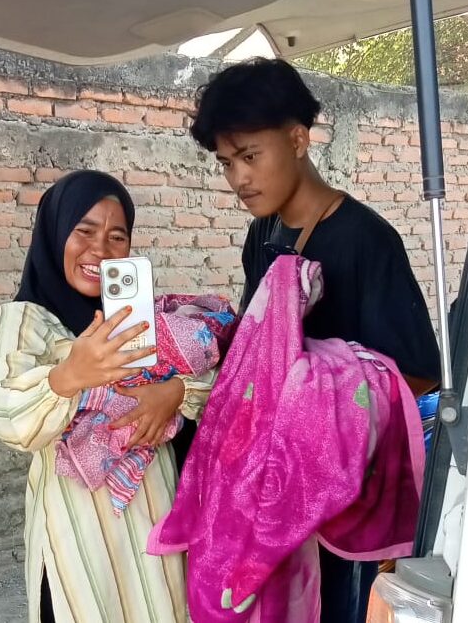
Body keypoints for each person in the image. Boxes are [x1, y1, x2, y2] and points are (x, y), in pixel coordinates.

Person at [187, 58, 442, 623]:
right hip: (272, 489)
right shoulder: (263, 233)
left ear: (299, 139)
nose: (238, 178)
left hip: (337, 500)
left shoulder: (366, 239)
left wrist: (323, 399)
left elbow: (419, 371)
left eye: (250, 156)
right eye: (227, 163)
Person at [0, 170, 210, 623]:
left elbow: (215, 376)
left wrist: (175, 391)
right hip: (78, 534)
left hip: (156, 515)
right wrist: (69, 375)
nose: (100, 250)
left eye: (116, 236)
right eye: (83, 231)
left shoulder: (140, 316)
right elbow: (7, 419)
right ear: (55, 234)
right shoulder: (26, 320)